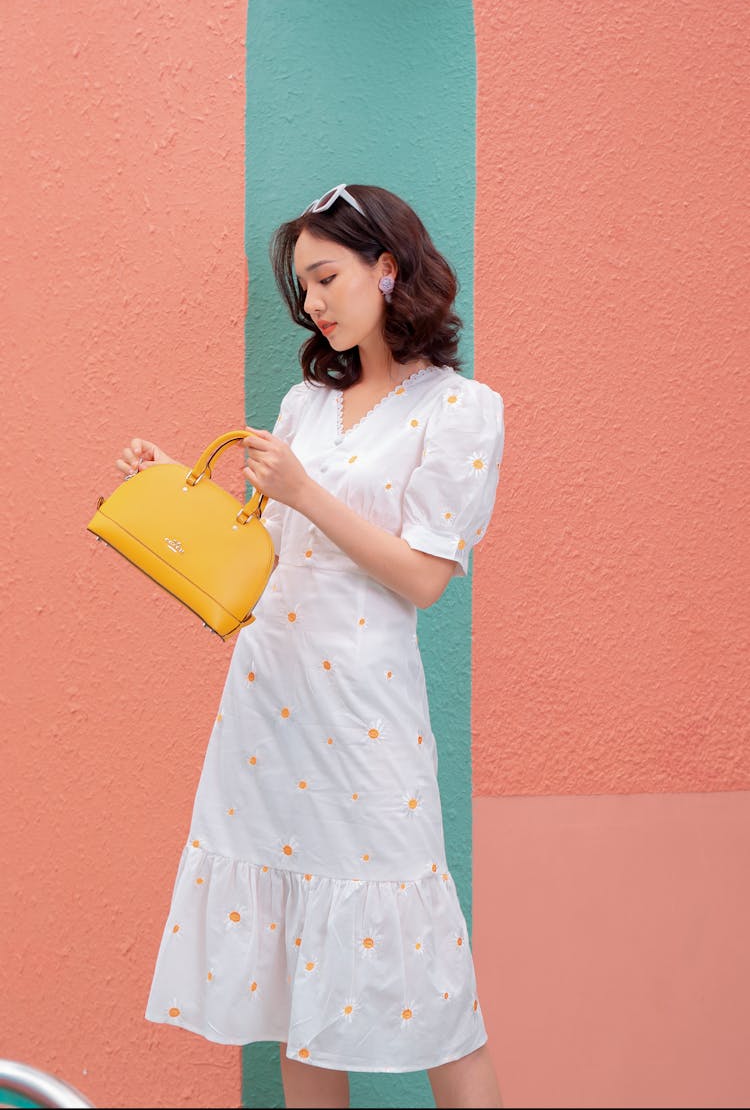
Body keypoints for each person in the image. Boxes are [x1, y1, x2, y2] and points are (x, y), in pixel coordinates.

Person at [116, 184, 505, 1109]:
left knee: (437, 991)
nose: (317, 302)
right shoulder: (303, 405)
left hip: (367, 717)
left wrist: (305, 493)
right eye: (304, 289)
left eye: (327, 276)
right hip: (268, 711)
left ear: (389, 265)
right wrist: (176, 495)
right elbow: (271, 557)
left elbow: (423, 579)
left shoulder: (461, 410)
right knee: (298, 983)